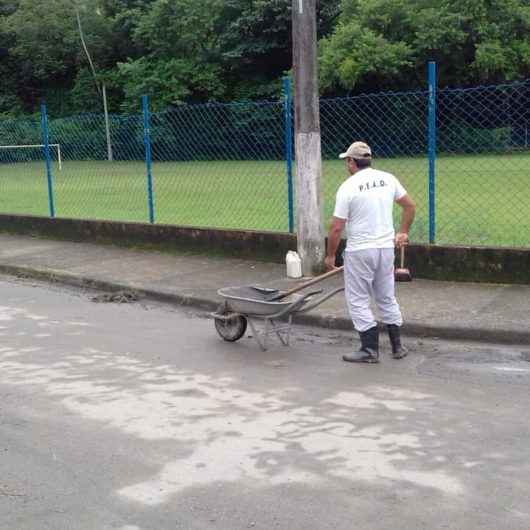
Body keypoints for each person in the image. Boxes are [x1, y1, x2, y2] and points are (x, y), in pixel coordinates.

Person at [325, 141, 416, 363]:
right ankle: (397, 347)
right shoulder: (388, 178)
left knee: (357, 299)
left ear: (351, 161)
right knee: (386, 296)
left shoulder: (348, 186)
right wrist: (402, 232)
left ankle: (369, 349)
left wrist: (330, 256)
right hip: (385, 249)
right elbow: (409, 206)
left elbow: (337, 228)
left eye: (347, 160)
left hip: (360, 251)